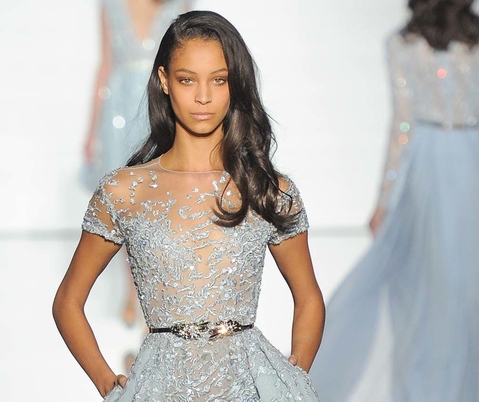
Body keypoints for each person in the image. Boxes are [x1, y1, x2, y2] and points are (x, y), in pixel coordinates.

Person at [54, 10, 325, 400]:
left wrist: (292, 381)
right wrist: (106, 383)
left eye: (219, 80)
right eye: (187, 80)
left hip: (248, 388)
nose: (203, 97)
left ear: (235, 84)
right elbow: (68, 300)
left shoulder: (265, 190)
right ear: (164, 80)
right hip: (159, 388)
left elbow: (309, 296)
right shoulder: (124, 192)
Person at [310, 1, 479, 401]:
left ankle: (429, 387)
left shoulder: (403, 44)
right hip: (474, 168)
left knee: (426, 286)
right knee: (470, 290)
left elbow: (402, 126)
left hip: (427, 166)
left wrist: (384, 200)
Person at [82, 0, 193, 334]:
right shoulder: (112, 6)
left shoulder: (178, 4)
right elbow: (105, 63)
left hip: (158, 103)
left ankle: (156, 294)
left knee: (159, 203)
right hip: (118, 109)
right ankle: (134, 291)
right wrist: (91, 131)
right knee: (124, 205)